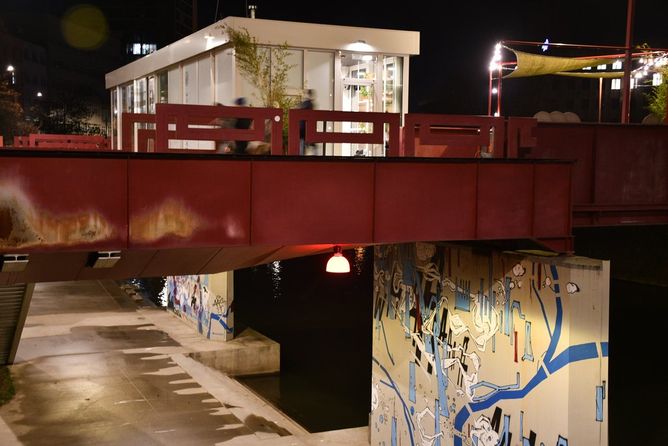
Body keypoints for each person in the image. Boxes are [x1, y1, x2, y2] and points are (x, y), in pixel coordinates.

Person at [299, 89, 315, 154]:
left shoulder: (303, 103)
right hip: (304, 127)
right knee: (305, 145)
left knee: (303, 145)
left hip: (302, 127)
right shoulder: (308, 103)